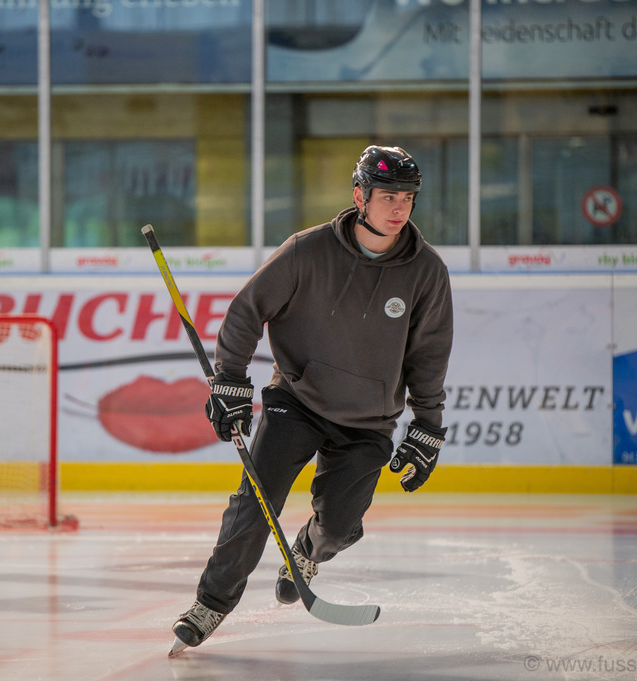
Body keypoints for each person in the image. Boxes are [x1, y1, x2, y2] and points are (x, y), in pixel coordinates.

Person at [171, 145, 454, 651]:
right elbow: (244, 312)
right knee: (254, 504)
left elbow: (428, 357)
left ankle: (306, 549)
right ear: (359, 196)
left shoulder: (427, 271)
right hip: (296, 402)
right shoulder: (307, 250)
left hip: (369, 421)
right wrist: (230, 380)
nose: (399, 209)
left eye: (407, 198)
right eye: (388, 196)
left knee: (341, 525)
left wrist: (428, 426)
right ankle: (210, 605)